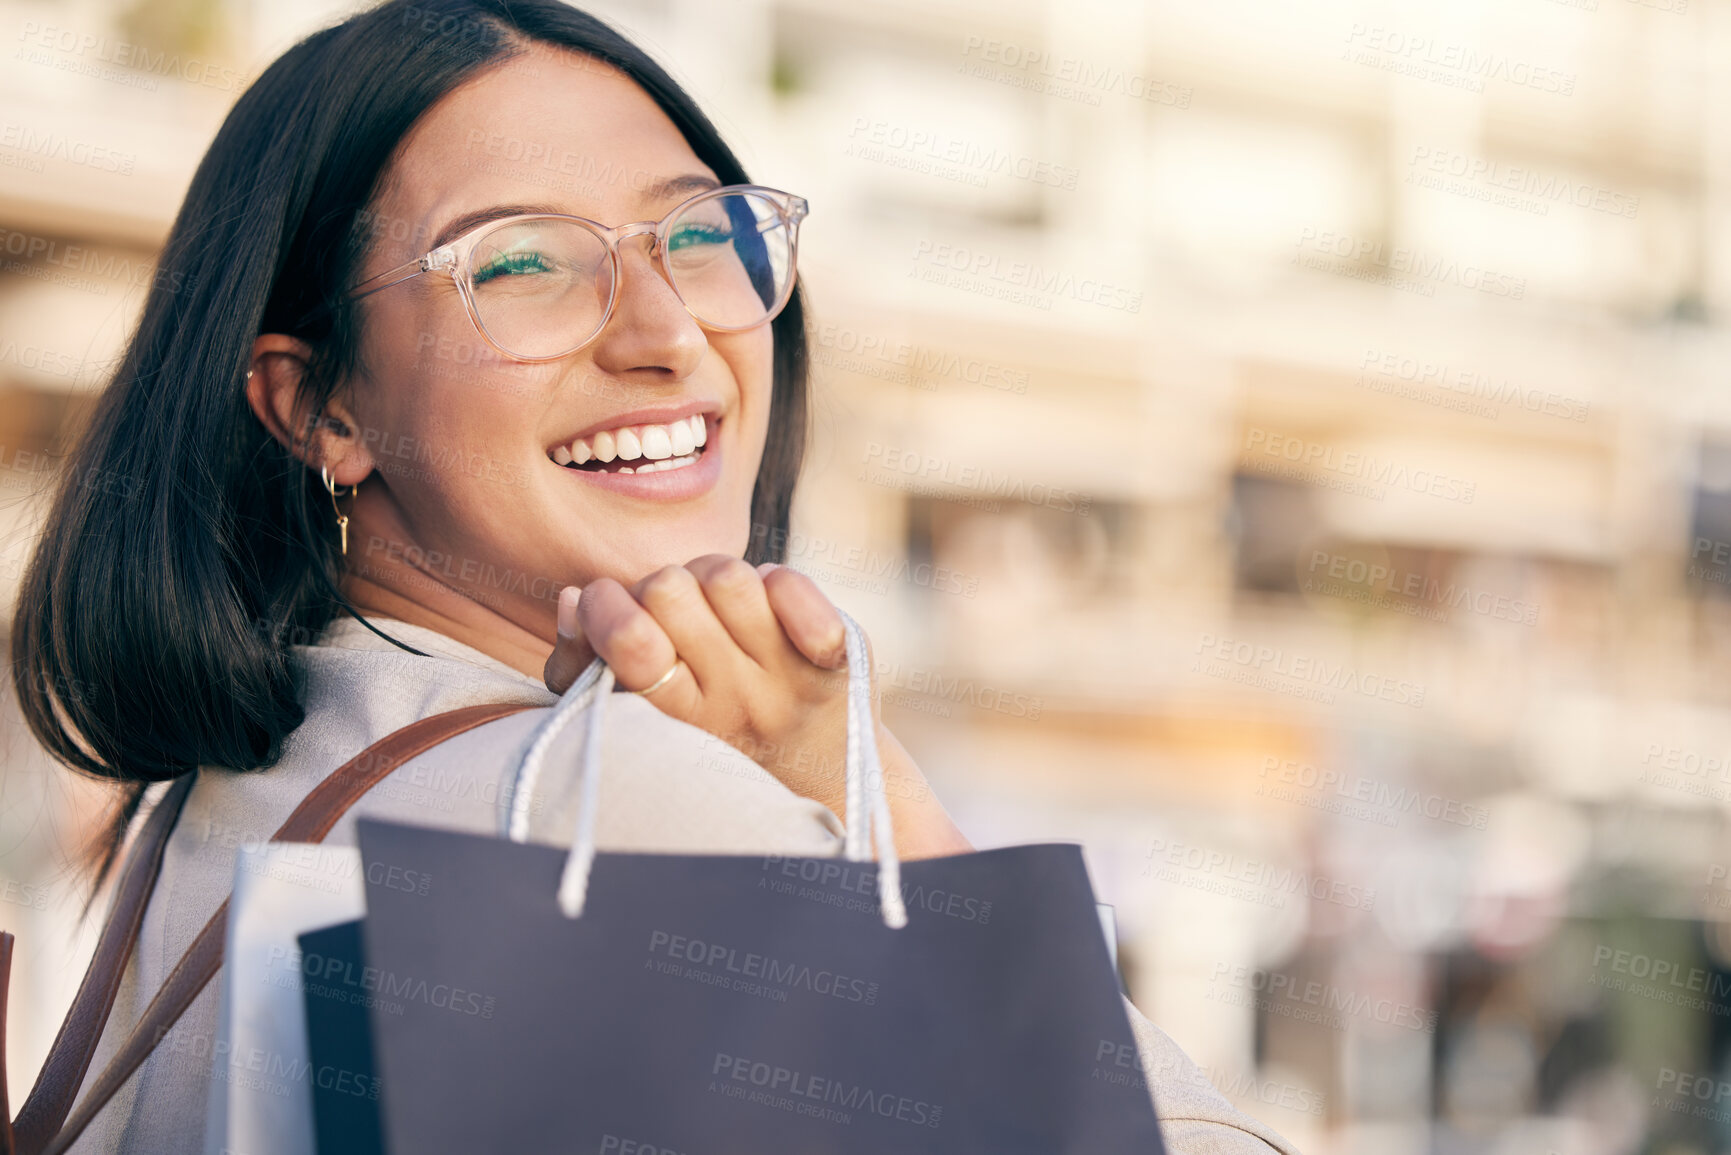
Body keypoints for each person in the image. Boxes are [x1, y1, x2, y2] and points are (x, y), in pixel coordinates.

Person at [9, 1, 1298, 1151]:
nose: (669, 333)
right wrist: (868, 797)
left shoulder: (229, 787)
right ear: (318, 406)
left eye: (699, 236)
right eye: (521, 262)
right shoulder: (617, 806)